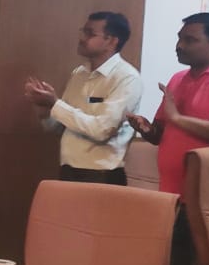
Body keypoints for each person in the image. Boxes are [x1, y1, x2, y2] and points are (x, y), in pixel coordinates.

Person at [127, 12, 209, 196]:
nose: (179, 46)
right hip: (171, 189)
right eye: (179, 38)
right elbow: (160, 135)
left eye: (190, 40)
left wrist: (177, 118)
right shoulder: (178, 79)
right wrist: (147, 130)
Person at [25, 11, 142, 185]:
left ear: (111, 41)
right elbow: (60, 128)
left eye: (90, 33)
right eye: (83, 31)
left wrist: (55, 104)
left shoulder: (126, 78)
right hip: (68, 170)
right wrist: (45, 110)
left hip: (102, 175)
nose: (82, 38)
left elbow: (102, 131)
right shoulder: (79, 74)